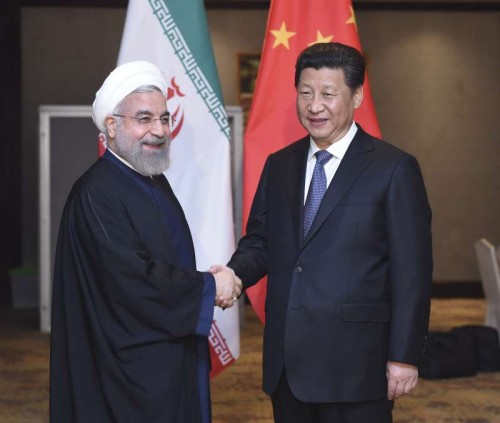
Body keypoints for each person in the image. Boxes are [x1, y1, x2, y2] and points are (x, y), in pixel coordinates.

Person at [212, 42, 433, 422]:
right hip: (289, 364)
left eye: (328, 94)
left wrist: (404, 355)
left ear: (357, 95)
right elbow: (261, 241)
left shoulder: (394, 169)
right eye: (305, 93)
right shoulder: (279, 165)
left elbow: (412, 272)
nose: (315, 106)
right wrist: (234, 275)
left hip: (357, 366)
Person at [49, 61, 241, 423]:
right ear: (112, 125)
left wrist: (205, 284)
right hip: (124, 374)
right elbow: (132, 281)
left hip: (166, 357)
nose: (159, 130)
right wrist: (209, 286)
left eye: (164, 118)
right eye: (144, 119)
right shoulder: (96, 193)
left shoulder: (151, 178)